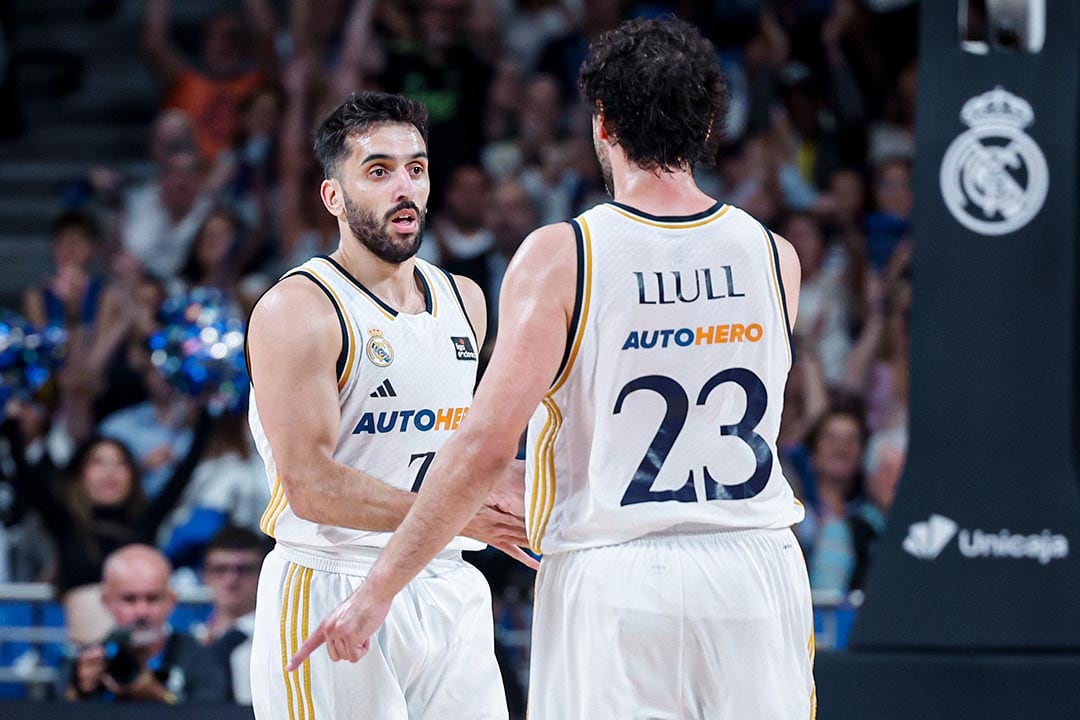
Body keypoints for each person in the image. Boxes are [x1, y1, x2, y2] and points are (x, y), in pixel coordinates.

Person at [288, 18, 816, 720]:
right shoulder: (776, 254)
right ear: (709, 124)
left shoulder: (565, 254)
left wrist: (377, 590)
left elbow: (483, 446)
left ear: (602, 123)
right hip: (756, 566)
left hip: (618, 572)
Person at [244, 91, 535, 720]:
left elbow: (444, 452)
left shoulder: (465, 300)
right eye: (378, 171)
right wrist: (457, 517)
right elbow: (312, 488)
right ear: (333, 197)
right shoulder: (298, 309)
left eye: (416, 169)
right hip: (331, 578)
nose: (405, 188)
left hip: (448, 583)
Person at [65, 544, 217, 703]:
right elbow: (56, 708)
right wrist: (78, 691)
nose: (142, 611)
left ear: (172, 601)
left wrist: (159, 696)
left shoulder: (200, 659)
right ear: (107, 601)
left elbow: (213, 711)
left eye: (152, 598)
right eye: (129, 599)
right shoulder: (91, 659)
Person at [195, 526, 269, 704]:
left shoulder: (277, 640)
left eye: (244, 570)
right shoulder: (192, 638)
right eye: (220, 569)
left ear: (263, 574)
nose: (231, 580)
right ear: (205, 575)